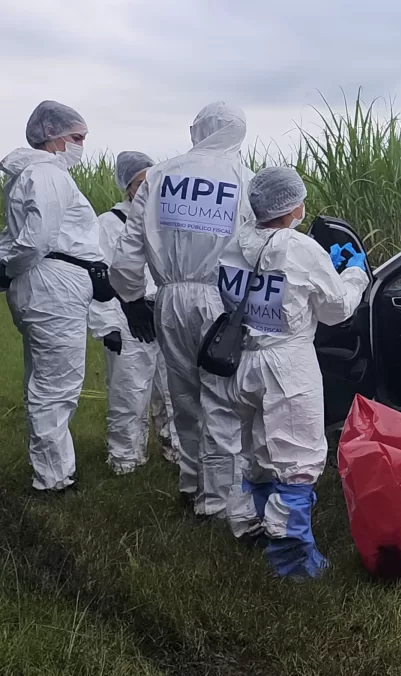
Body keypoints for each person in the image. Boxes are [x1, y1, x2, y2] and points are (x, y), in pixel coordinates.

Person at [109, 102, 256, 520]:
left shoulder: (159, 176)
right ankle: (220, 499)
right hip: (223, 301)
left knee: (184, 397)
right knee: (222, 399)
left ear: (199, 130)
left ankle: (191, 484)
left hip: (169, 298)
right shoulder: (245, 180)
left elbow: (128, 251)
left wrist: (132, 299)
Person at [221, 166, 369, 577]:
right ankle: (292, 557)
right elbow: (337, 310)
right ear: (292, 207)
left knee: (258, 451)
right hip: (288, 366)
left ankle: (251, 524)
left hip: (247, 361)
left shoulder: (234, 245)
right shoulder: (301, 248)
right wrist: (354, 273)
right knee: (298, 459)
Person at [0, 101, 101, 492]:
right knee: (56, 386)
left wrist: (9, 267)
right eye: (76, 137)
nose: (80, 145)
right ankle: (53, 478)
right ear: (53, 137)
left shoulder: (28, 175)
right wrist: (11, 267)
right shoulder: (47, 174)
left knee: (44, 380)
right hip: (53, 285)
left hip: (43, 283)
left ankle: (51, 468)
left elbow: (14, 235)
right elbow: (36, 239)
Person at [88, 151, 181, 474]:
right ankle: (125, 457)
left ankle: (175, 449)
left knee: (171, 389)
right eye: (141, 182)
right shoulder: (107, 224)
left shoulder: (167, 221)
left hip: (163, 314)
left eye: (153, 181)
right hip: (126, 317)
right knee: (129, 390)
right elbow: (99, 277)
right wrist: (108, 324)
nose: (147, 188)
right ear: (127, 186)